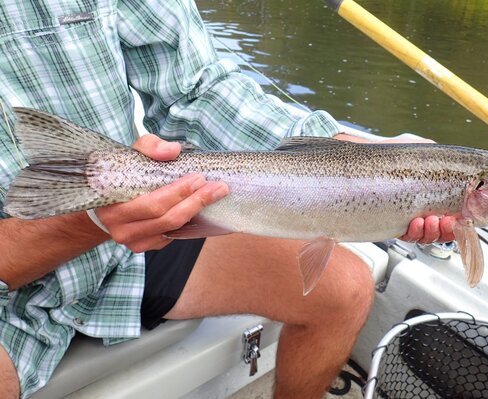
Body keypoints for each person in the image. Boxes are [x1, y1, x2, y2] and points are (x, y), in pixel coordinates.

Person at [0, 1, 455, 398]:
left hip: (123, 248)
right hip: (11, 288)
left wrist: (338, 152)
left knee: (345, 289)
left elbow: (195, 89)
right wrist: (87, 221)